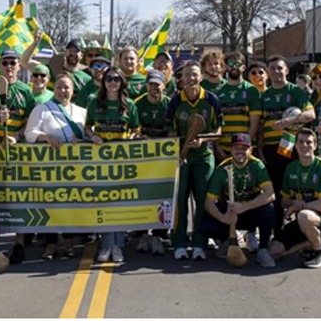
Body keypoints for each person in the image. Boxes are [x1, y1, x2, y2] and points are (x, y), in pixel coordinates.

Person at [24, 73, 87, 260]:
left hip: (74, 168)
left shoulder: (81, 112)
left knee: (70, 205)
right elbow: (29, 133)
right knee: (50, 204)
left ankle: (69, 242)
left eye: (66, 87)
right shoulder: (42, 109)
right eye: (59, 87)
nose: (62, 91)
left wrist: (82, 140)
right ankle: (50, 244)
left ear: (73, 90)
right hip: (49, 168)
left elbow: (89, 135)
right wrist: (46, 137)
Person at [0, 49, 36, 263]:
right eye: (5, 62)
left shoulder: (25, 91)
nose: (9, 66)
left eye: (13, 62)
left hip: (15, 152)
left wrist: (17, 134)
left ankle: (19, 242)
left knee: (17, 197)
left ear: (19, 66)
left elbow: (30, 121)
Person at [85, 65, 141, 262]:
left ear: (122, 82)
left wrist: (131, 138)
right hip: (101, 161)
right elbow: (87, 127)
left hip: (123, 160)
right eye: (109, 79)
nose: (113, 83)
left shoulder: (129, 105)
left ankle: (118, 246)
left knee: (120, 202)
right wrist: (93, 137)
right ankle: (106, 244)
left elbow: (136, 129)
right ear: (103, 81)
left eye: (117, 79)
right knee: (105, 202)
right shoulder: (94, 102)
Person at [166, 60, 221, 261]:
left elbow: (218, 130)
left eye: (195, 74)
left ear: (202, 76)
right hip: (182, 159)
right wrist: (178, 151)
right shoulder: (175, 102)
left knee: (202, 200)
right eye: (187, 74)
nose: (191, 78)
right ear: (181, 78)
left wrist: (203, 139)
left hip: (204, 157)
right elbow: (171, 131)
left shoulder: (211, 99)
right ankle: (179, 243)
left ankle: (199, 243)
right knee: (179, 200)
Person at [268, 128, 321, 269]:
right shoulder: (291, 168)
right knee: (274, 251)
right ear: (295, 145)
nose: (304, 146)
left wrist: (297, 206)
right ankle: (312, 242)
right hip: (303, 220)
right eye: (300, 142)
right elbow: (284, 201)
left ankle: (320, 251)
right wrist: (293, 203)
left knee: (304, 216)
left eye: (309, 142)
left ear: (315, 145)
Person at [258, 55, 315, 237]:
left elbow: (311, 114)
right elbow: (260, 126)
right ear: (268, 72)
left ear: (287, 70)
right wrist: (260, 150)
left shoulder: (295, 92)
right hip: (270, 150)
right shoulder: (264, 95)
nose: (276, 72)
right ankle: (277, 235)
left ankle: (300, 233)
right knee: (274, 193)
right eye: (272, 68)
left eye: (279, 68)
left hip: (292, 149)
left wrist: (288, 121)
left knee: (295, 191)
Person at [199, 133, 276, 267]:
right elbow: (209, 202)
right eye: (236, 148)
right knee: (205, 225)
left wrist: (245, 206)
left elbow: (270, 194)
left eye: (244, 148)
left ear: (250, 150)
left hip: (250, 211)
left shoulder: (257, 165)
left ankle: (263, 249)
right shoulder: (222, 169)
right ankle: (226, 240)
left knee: (268, 210)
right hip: (231, 213)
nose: (240, 152)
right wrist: (223, 218)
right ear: (231, 150)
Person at [133, 69, 171, 255]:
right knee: (141, 193)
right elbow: (134, 129)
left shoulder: (170, 104)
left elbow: (173, 131)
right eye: (151, 84)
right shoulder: (138, 104)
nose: (154, 88)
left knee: (162, 193)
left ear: (164, 85)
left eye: (158, 84)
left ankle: (159, 233)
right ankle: (141, 232)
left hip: (164, 159)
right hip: (143, 157)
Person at [215, 51, 261, 164]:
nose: (234, 67)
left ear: (244, 67)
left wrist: (243, 147)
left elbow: (255, 123)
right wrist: (218, 147)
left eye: (238, 64)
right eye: (231, 64)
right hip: (223, 150)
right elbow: (215, 123)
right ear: (226, 67)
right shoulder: (218, 92)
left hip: (245, 150)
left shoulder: (251, 91)